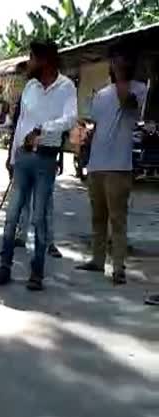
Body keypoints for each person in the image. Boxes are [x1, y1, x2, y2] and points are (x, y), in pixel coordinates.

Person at [0, 40, 77, 291]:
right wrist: (11, 156)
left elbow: (70, 118)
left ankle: (36, 272)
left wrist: (43, 129)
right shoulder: (30, 86)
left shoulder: (66, 87)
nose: (29, 62)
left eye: (33, 58)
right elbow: (21, 122)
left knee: (39, 217)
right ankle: (4, 266)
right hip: (23, 157)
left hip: (47, 158)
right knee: (12, 214)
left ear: (45, 60)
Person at [74, 50, 147, 285]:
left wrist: (121, 76)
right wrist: (85, 142)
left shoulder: (138, 89)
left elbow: (129, 103)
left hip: (119, 166)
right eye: (114, 60)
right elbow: (95, 125)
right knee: (98, 216)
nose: (116, 64)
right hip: (97, 163)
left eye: (120, 60)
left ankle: (118, 268)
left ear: (129, 64)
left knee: (117, 219)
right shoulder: (102, 94)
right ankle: (97, 260)